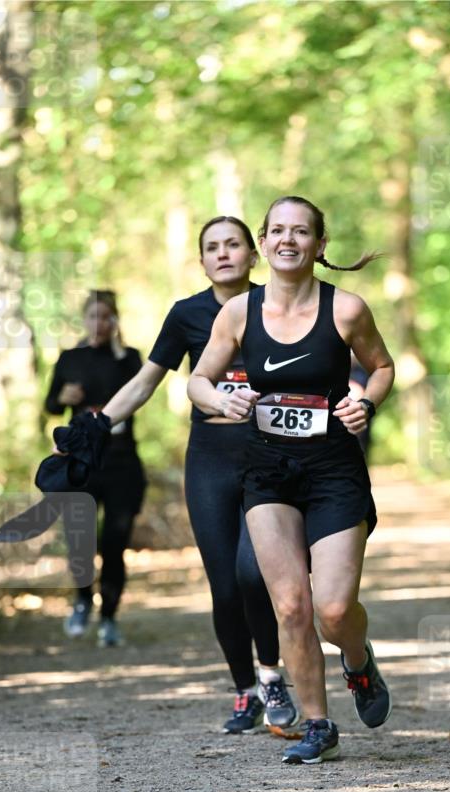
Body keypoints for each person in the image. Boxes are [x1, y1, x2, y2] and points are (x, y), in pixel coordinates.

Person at [187, 196, 395, 764]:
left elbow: (381, 367)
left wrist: (366, 403)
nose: (287, 240)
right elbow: (198, 381)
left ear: (319, 245)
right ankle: (318, 725)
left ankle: (357, 659)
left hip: (332, 472)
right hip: (267, 473)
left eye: (300, 232)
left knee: (331, 608)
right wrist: (221, 397)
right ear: (262, 242)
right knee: (291, 607)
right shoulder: (238, 313)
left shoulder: (346, 309)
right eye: (276, 230)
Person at [94, 217, 297, 735]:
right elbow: (145, 382)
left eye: (233, 244)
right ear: (202, 260)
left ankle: (272, 675)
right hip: (209, 458)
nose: (223, 254)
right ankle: (245, 692)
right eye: (212, 247)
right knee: (225, 586)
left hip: (270, 454)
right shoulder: (186, 314)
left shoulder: (277, 303)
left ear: (253, 254)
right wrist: (96, 425)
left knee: (256, 575)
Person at [45, 290, 146, 647]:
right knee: (79, 540)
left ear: (115, 320)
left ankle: (109, 620)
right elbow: (51, 405)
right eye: (92, 316)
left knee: (115, 544)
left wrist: (119, 350)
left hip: (121, 464)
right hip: (80, 464)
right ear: (83, 319)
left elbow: (141, 394)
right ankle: (83, 599)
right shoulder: (70, 358)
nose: (99, 323)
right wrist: (62, 398)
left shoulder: (130, 358)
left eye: (106, 317)